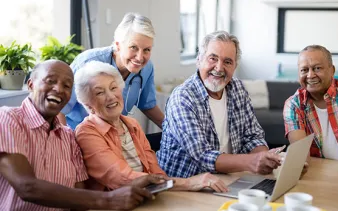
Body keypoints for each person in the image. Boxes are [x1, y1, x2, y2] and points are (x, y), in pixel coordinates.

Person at [0, 60, 167, 211]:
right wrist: (108, 200)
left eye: (67, 86)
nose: (59, 89)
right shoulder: (8, 119)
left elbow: (80, 193)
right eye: (50, 81)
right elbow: (27, 187)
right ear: (30, 85)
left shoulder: (68, 137)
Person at [74, 61, 228, 193]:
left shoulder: (131, 124)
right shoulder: (87, 132)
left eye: (113, 88)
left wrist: (188, 183)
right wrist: (188, 182)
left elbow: (156, 173)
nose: (111, 96)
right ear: (89, 105)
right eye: (100, 92)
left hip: (146, 196)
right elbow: (120, 178)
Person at [157, 31, 283, 178]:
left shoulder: (237, 89)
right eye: (213, 59)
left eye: (227, 62)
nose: (219, 67)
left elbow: (253, 136)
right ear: (199, 60)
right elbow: (202, 156)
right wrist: (252, 161)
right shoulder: (183, 97)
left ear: (235, 66)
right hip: (187, 185)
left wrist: (267, 159)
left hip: (227, 178)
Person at [59, 12, 164, 130]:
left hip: (113, 135)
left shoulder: (146, 68)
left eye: (146, 50)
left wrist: (173, 129)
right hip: (78, 134)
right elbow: (59, 109)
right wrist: (66, 143)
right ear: (118, 45)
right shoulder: (86, 62)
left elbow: (147, 105)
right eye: (133, 47)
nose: (140, 57)